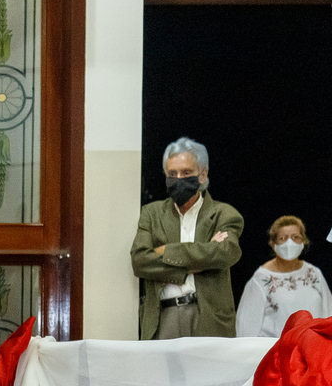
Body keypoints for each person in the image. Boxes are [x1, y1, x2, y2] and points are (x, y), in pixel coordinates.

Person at [131, 137, 243, 340]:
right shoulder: (152, 213)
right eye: (172, 174)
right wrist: (202, 256)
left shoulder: (223, 214)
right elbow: (140, 262)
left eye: (186, 173)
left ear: (203, 174)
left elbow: (226, 253)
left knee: (208, 373)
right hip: (164, 318)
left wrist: (166, 251)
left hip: (208, 319)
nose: (179, 179)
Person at [236, 215, 332, 338]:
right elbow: (246, 329)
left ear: (303, 241)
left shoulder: (314, 273)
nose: (289, 243)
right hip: (276, 351)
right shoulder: (262, 279)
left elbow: (329, 313)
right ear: (273, 243)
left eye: (295, 237)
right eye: (283, 238)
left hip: (312, 349)